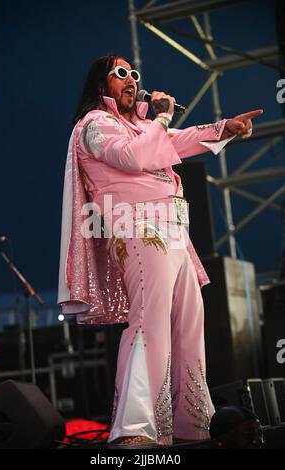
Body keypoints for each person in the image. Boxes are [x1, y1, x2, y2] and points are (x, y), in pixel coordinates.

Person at [58, 54, 263, 446]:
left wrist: (226, 128)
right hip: (137, 227)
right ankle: (135, 428)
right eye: (121, 74)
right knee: (148, 321)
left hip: (173, 229)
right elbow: (137, 157)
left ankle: (191, 424)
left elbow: (173, 143)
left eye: (134, 73)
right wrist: (162, 117)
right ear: (102, 87)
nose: (132, 79)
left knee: (189, 322)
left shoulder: (138, 126)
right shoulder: (95, 125)